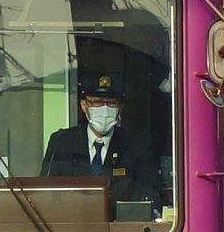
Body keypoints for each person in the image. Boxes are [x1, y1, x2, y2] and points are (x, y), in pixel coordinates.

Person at [41, 69, 162, 205]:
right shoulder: (62, 141)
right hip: (73, 216)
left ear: (120, 107)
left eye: (111, 103)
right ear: (84, 105)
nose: (105, 109)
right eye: (97, 102)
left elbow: (151, 194)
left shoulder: (137, 145)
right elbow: (44, 192)